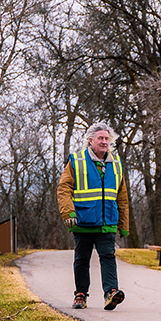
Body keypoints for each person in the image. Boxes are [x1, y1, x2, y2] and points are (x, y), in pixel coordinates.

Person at [57, 122, 129, 311]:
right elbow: (63, 188)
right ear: (90, 140)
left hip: (107, 221)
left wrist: (123, 223)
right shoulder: (76, 160)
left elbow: (122, 195)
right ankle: (80, 295)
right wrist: (68, 212)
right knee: (82, 259)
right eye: (100, 138)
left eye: (107, 138)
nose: (104, 142)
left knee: (108, 256)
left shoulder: (116, 163)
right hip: (83, 220)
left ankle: (111, 293)